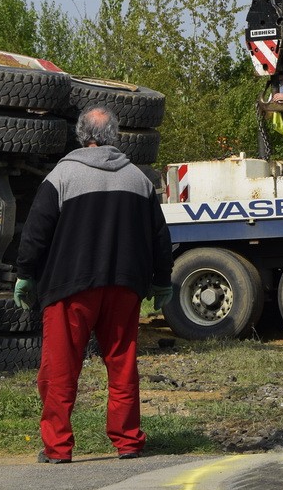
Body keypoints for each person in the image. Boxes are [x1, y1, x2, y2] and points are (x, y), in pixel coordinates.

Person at [14, 106, 174, 464]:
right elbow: (160, 237)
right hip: (124, 286)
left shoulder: (62, 176)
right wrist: (162, 281)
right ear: (115, 135)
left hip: (70, 287)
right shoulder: (138, 179)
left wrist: (26, 273)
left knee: (60, 367)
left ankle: (57, 448)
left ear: (80, 134)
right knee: (122, 363)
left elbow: (36, 232)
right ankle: (128, 441)